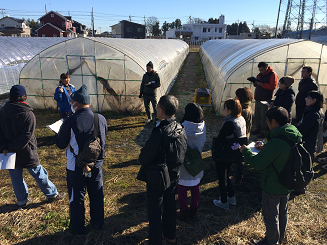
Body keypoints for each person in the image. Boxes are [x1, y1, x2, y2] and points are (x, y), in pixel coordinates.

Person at [240, 107, 302, 245]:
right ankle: (279, 238)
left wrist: (245, 151)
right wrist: (266, 147)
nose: (267, 123)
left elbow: (258, 163)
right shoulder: (292, 134)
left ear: (274, 121)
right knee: (282, 212)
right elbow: (280, 152)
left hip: (274, 183)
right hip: (288, 181)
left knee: (271, 215)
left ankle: (271, 241)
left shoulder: (277, 143)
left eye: (267, 120)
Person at [55, 84, 108, 235]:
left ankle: (78, 228)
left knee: (77, 197)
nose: (71, 104)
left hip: (75, 167)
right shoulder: (101, 119)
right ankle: (98, 224)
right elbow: (102, 143)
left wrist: (56, 134)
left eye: (72, 102)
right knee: (97, 194)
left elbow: (61, 144)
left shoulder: (70, 121)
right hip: (96, 165)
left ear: (76, 103)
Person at [0, 85, 64, 207]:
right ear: (25, 97)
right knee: (39, 173)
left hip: (9, 152)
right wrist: (11, 146)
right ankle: (51, 194)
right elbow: (26, 136)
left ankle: (22, 201)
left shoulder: (3, 111)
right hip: (27, 151)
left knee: (16, 177)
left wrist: (5, 147)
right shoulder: (28, 114)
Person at [139, 95, 187, 245]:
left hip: (158, 177)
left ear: (161, 110)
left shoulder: (160, 132)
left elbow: (145, 157)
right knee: (170, 206)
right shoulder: (180, 128)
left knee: (155, 210)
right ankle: (170, 236)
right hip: (174, 174)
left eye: (157, 107)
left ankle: (155, 240)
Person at [213, 98, 246, 210]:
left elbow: (220, 138)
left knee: (222, 176)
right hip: (235, 151)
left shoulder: (229, 123)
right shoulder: (241, 118)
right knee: (227, 175)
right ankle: (231, 197)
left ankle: (223, 201)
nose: (224, 109)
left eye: (225, 108)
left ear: (230, 110)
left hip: (226, 153)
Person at [178, 103, 206, 221]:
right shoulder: (203, 127)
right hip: (196, 165)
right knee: (196, 190)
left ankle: (184, 213)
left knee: (182, 191)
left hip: (184, 166)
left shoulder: (181, 128)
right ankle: (193, 212)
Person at [253, 62, 279, 138]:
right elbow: (257, 82)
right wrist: (255, 83)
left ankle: (264, 131)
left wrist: (261, 84)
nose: (260, 71)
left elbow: (273, 86)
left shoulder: (272, 74)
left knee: (264, 116)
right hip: (258, 98)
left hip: (265, 98)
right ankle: (258, 129)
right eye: (259, 70)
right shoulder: (260, 75)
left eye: (262, 70)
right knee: (257, 115)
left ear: (266, 67)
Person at [297, 90, 324, 161]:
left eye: (308, 98)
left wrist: (299, 126)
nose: (306, 99)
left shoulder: (313, 114)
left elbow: (302, 130)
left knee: (304, 165)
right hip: (310, 143)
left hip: (307, 144)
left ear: (314, 100)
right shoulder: (312, 111)